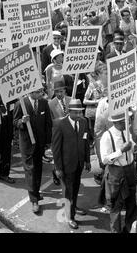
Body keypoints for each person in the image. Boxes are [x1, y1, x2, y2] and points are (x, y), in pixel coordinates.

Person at [51, 99, 91, 230]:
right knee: (68, 192)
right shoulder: (60, 124)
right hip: (66, 166)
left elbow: (85, 142)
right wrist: (58, 168)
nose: (79, 115)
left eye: (80, 112)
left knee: (75, 189)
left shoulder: (84, 122)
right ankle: (70, 217)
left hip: (78, 164)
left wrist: (87, 160)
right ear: (69, 112)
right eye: (76, 113)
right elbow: (56, 149)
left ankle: (73, 208)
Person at [13, 87, 52, 214]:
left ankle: (36, 190)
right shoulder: (21, 103)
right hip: (27, 143)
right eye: (37, 92)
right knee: (30, 169)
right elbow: (15, 122)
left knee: (38, 168)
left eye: (41, 92)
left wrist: (47, 143)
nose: (40, 94)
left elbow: (48, 123)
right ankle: (34, 200)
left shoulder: (44, 103)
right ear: (30, 92)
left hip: (40, 143)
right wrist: (22, 122)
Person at [100, 112, 137, 233]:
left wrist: (135, 147)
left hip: (130, 170)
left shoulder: (127, 132)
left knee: (132, 202)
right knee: (116, 205)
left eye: (127, 121)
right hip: (116, 173)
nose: (127, 124)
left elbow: (131, 145)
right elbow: (105, 159)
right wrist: (121, 151)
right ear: (116, 122)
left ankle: (129, 228)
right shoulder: (107, 135)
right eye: (123, 122)